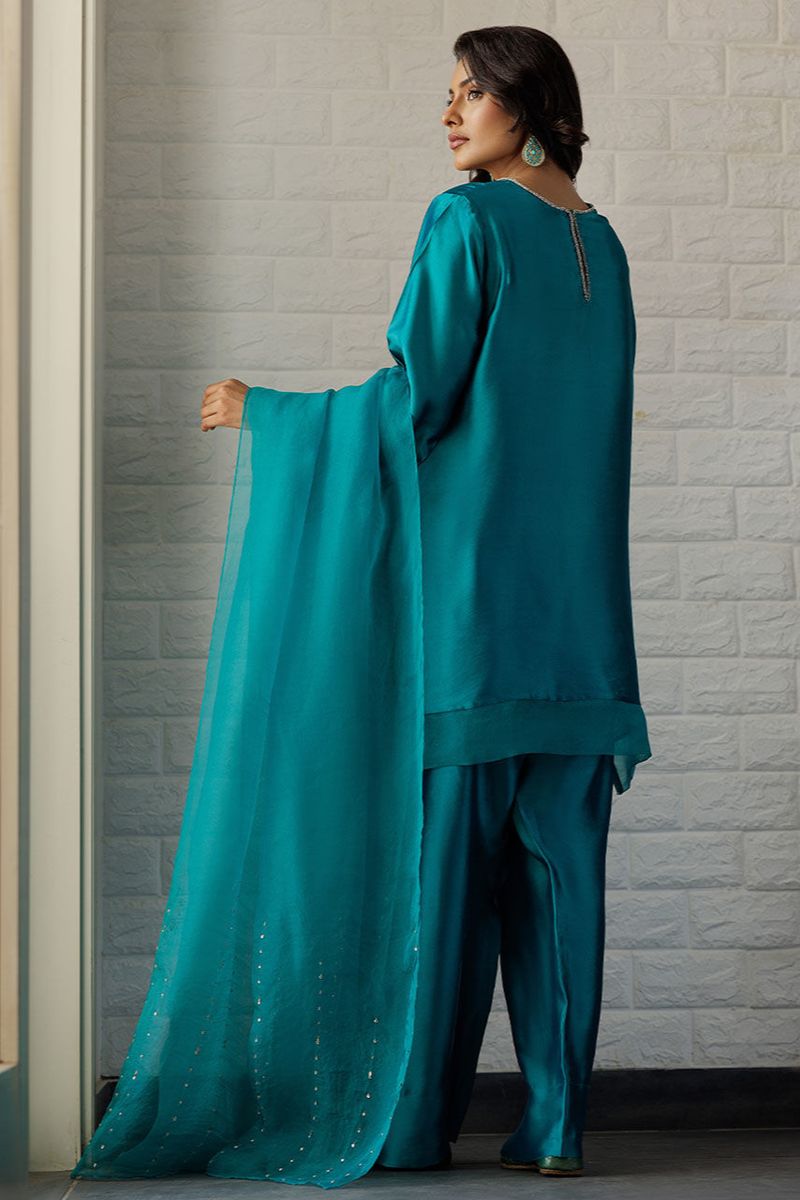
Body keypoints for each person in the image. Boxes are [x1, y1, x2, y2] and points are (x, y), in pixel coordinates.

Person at [71, 25, 651, 1191]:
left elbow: (416, 402)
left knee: (442, 891)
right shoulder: (603, 242)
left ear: (526, 104)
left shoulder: (466, 222)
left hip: (472, 623)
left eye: (469, 93)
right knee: (559, 887)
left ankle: (410, 1125)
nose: (449, 115)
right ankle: (555, 1129)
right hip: (584, 631)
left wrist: (268, 414)